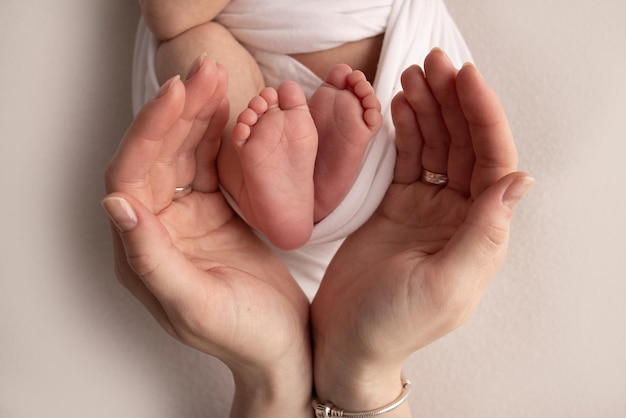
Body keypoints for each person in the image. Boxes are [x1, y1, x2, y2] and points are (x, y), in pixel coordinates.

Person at [103, 46, 532, 416]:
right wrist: (361, 371)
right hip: (405, 170)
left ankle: (280, 197)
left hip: (400, 171)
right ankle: (295, 194)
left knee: (198, 51)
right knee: (210, 67)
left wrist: (276, 377)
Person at [139, 0, 384, 250]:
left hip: (383, 92)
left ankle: (280, 189)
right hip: (250, 66)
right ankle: (265, 192)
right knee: (197, 54)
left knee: (203, 62)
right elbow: (167, 13)